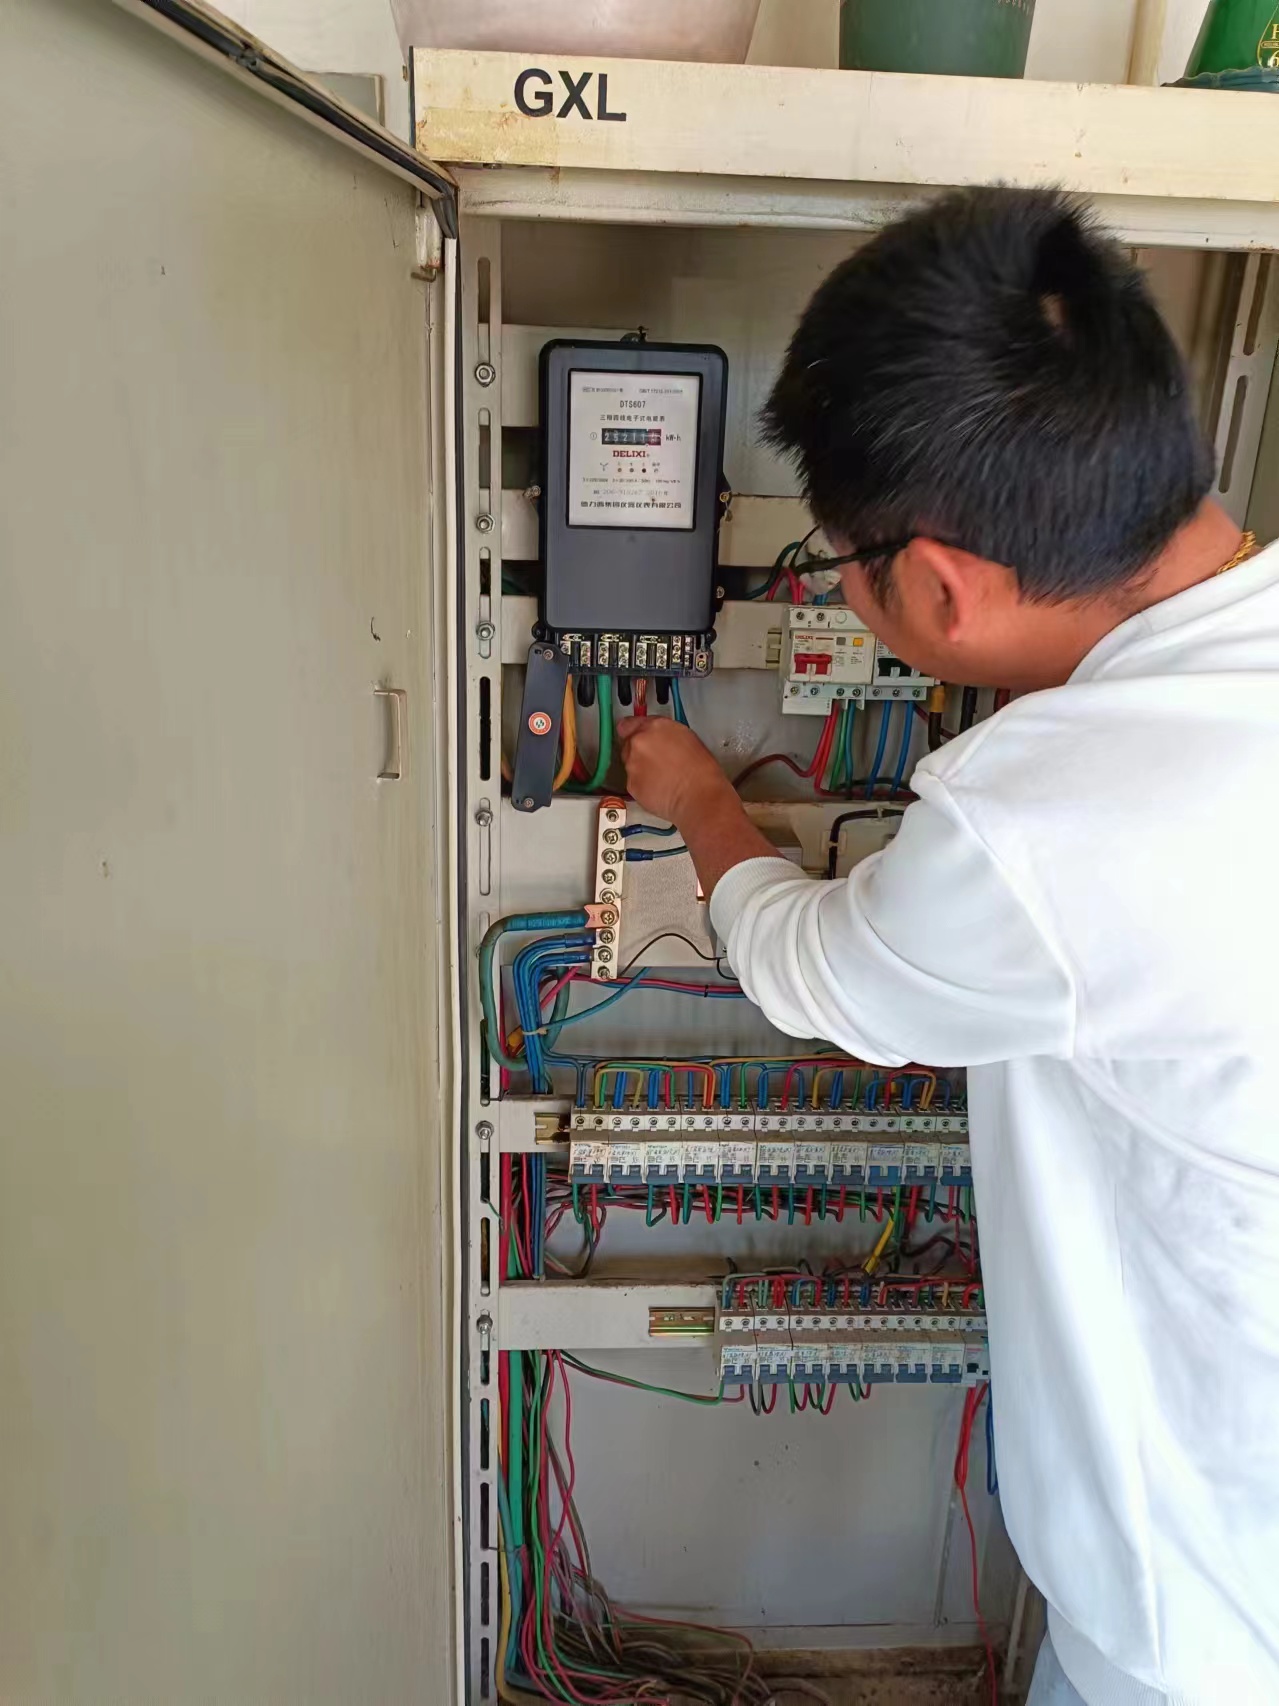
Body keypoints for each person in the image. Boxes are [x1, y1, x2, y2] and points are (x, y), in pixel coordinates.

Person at [616, 187, 1279, 1706]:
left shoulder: (1039, 821)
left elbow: (814, 971)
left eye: (835, 561)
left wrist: (701, 799)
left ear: (936, 587)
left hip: (1207, 1628)